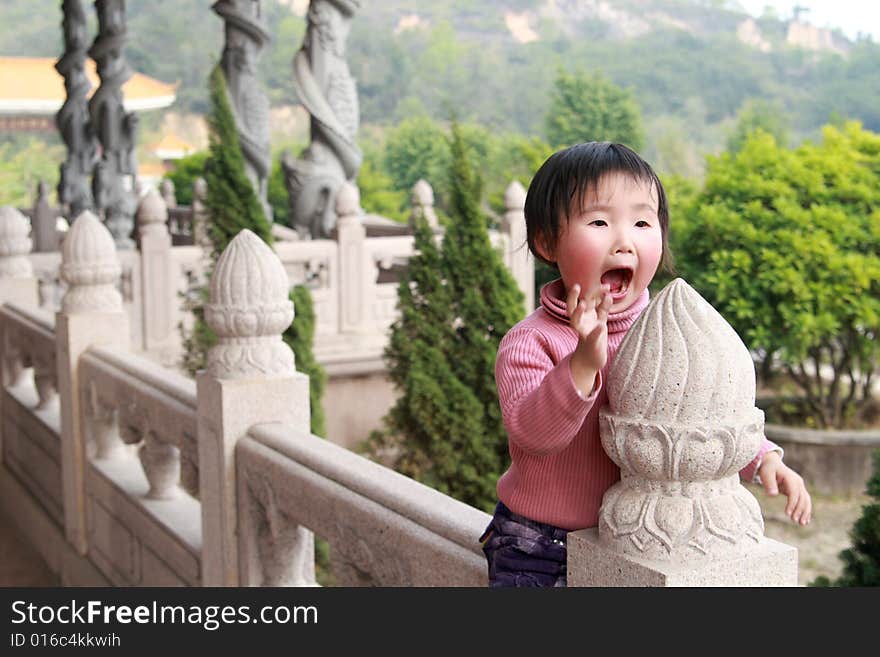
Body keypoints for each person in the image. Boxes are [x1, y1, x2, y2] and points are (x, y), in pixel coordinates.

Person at [480, 141, 812, 588]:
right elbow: (535, 437)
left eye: (641, 222)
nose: (625, 240)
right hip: (540, 544)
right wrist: (583, 362)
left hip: (633, 538)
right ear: (546, 241)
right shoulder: (531, 341)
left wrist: (762, 458)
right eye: (599, 221)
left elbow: (693, 409)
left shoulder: (661, 330)